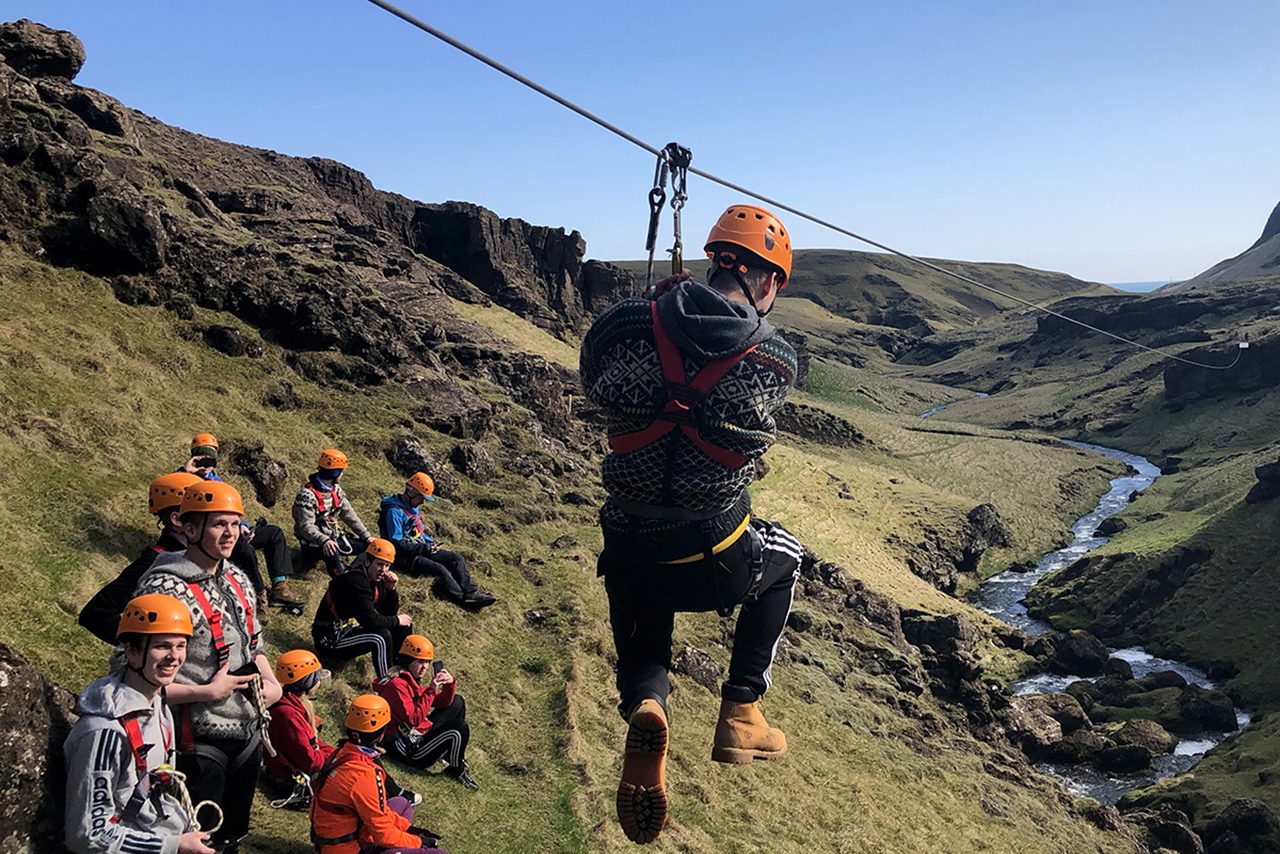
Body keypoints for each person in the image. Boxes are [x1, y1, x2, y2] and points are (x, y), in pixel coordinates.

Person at [579, 204, 805, 844]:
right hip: (715, 554)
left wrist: (653, 309)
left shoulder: (623, 323)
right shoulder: (778, 357)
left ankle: (648, 703)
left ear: (713, 259)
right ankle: (741, 709)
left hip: (628, 540)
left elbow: (592, 380)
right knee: (786, 557)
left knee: (645, 622)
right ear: (768, 283)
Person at [134, 480, 283, 854]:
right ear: (189, 527)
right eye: (219, 524)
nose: (230, 533)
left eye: (235, 524)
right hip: (195, 738)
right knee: (197, 844)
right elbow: (133, 677)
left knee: (231, 837)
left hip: (246, 730)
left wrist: (273, 682)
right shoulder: (165, 588)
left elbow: (254, 641)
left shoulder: (237, 579)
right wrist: (205, 692)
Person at [64, 593, 215, 854]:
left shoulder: (157, 706)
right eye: (162, 646)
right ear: (132, 652)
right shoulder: (105, 732)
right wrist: (171, 846)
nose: (174, 657)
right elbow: (88, 834)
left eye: (180, 646)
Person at [181, 432, 304, 612]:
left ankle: (280, 588)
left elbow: (232, 510)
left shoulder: (217, 480)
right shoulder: (183, 479)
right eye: (201, 458)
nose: (206, 465)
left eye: (211, 459)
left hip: (232, 529)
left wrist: (243, 526)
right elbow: (174, 501)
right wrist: (187, 474)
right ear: (193, 458)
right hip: (211, 536)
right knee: (246, 551)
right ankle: (258, 595)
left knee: (273, 533)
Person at [310, 694, 446, 854]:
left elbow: (379, 812)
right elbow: (383, 835)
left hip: (334, 840)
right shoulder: (363, 775)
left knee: (401, 804)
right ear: (381, 733)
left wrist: (410, 829)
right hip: (349, 848)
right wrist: (419, 841)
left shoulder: (341, 753)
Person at [79, 472, 202, 644]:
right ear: (177, 520)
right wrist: (146, 646)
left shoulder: (209, 558)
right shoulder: (153, 562)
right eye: (203, 514)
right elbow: (96, 614)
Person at [377, 473, 495, 610]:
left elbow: (418, 532)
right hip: (403, 557)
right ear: (410, 492)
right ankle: (462, 599)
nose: (422, 502)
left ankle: (472, 593)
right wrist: (424, 549)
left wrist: (430, 543)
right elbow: (397, 544)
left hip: (420, 548)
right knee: (439, 569)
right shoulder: (394, 511)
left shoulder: (412, 507)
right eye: (421, 497)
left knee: (456, 559)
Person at [374, 634, 478, 790]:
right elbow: (414, 719)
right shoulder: (397, 685)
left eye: (427, 662)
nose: (425, 667)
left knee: (457, 702)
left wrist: (449, 684)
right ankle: (456, 770)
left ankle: (451, 756)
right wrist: (431, 689)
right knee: (458, 728)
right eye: (420, 662)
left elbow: (443, 702)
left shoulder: (411, 680)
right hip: (408, 749)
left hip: (416, 735)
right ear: (408, 661)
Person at [312, 538, 412, 678]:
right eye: (379, 564)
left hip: (348, 629)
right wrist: (396, 620)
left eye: (387, 565)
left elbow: (388, 613)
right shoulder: (356, 582)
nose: (383, 570)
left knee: (404, 625)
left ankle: (402, 671)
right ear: (367, 561)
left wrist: (391, 590)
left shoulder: (377, 580)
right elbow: (372, 621)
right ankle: (387, 683)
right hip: (329, 638)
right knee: (380, 637)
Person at [294, 448, 373, 577]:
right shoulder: (307, 495)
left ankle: (351, 573)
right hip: (313, 544)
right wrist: (324, 540)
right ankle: (341, 580)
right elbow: (305, 527)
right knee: (334, 556)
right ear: (336, 473)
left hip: (333, 538)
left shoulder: (336, 491)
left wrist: (366, 536)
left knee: (370, 548)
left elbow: (349, 515)